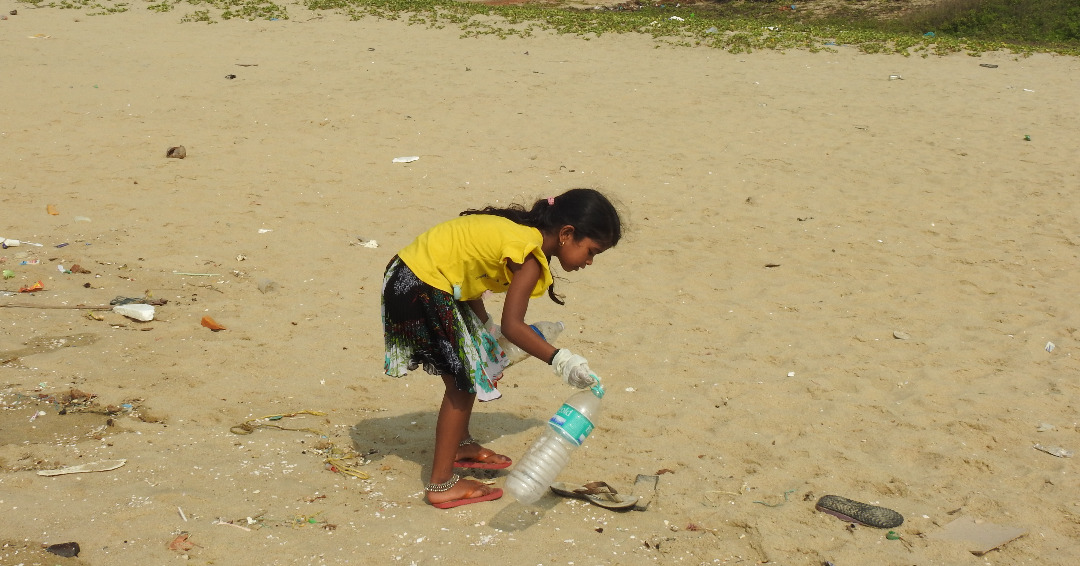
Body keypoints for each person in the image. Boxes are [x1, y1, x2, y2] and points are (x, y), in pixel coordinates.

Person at [381, 188, 623, 509]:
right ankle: (441, 484)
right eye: (591, 251)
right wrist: (560, 358)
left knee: (474, 367)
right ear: (567, 234)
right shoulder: (528, 254)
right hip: (417, 284)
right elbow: (514, 327)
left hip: (413, 275)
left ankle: (461, 444)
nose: (589, 262)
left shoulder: (519, 235)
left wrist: (485, 329)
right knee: (463, 383)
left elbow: (467, 276)